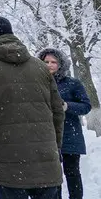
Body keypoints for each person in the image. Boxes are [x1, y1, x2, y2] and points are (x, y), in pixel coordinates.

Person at [0, 17, 65, 199]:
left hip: (7, 159)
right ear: (11, 34)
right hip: (45, 157)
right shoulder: (40, 67)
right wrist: (56, 146)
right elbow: (58, 110)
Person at [37, 48, 91, 199]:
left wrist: (67, 106)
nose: (49, 65)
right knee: (52, 177)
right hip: (46, 137)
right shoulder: (36, 84)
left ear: (61, 64)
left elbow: (86, 106)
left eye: (53, 62)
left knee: (72, 173)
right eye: (46, 62)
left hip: (70, 136)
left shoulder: (73, 83)